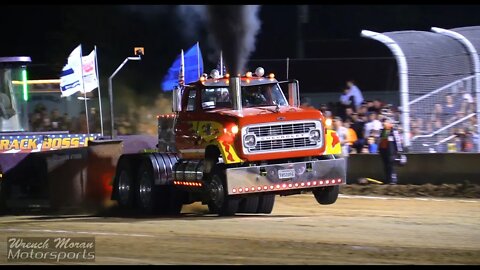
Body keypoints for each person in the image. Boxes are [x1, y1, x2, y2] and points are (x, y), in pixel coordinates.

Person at [377, 117, 404, 184]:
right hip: (384, 151)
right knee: (386, 165)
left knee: (391, 165)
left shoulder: (393, 131)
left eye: (385, 121)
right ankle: (388, 179)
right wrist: (379, 150)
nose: (384, 123)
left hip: (391, 152)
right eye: (383, 122)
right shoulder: (383, 131)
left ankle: (393, 180)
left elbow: (397, 141)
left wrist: (400, 151)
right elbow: (381, 141)